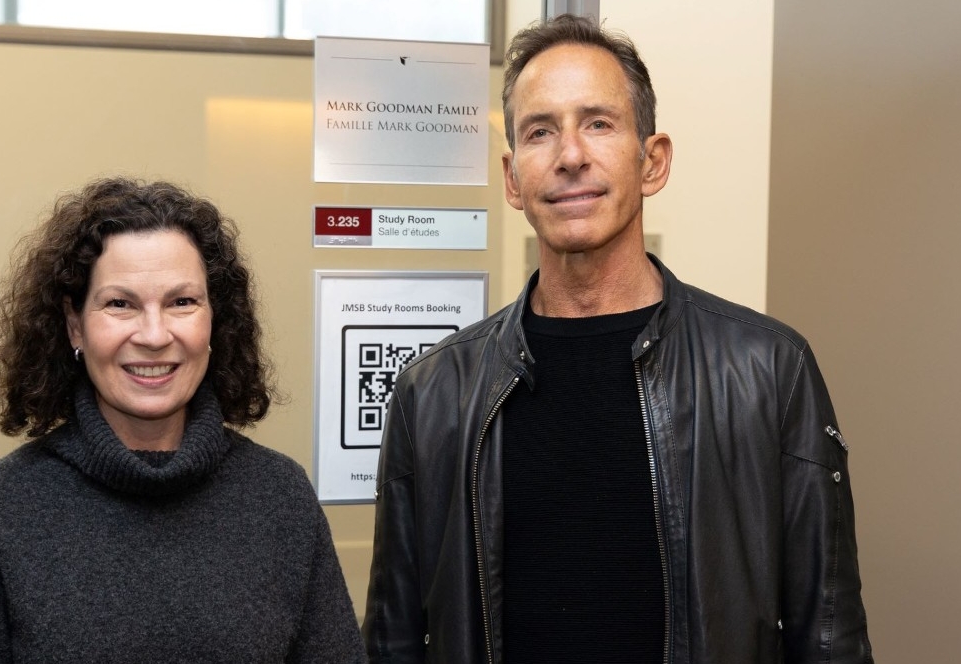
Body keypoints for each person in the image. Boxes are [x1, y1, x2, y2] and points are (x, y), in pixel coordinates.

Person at [362, 15, 873, 664]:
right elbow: (391, 643)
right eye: (540, 131)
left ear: (651, 161)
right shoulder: (433, 393)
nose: (570, 155)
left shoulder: (768, 372)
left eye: (597, 123)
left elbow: (828, 639)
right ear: (513, 177)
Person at [0, 177, 365, 663]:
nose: (154, 334)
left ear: (216, 319)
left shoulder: (280, 496)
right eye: (120, 304)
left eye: (181, 302)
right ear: (74, 324)